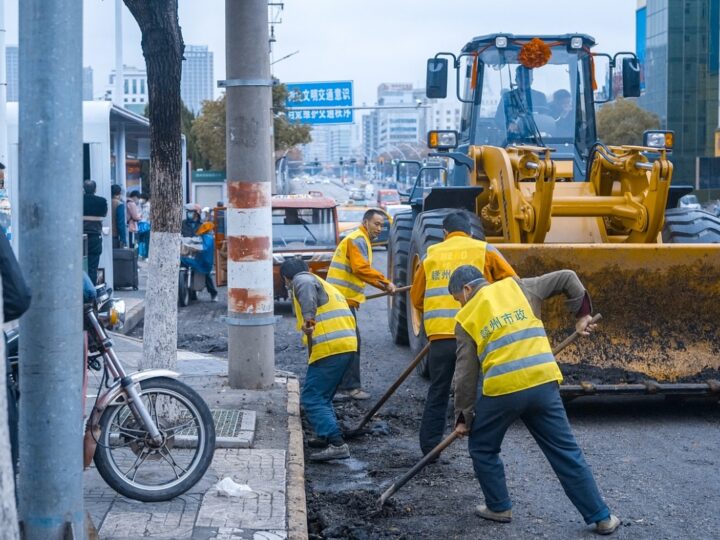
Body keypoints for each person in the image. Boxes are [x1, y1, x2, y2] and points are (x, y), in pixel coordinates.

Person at [448, 266, 620, 536]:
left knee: (482, 447)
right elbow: (567, 277)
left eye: (458, 298)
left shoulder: (465, 316)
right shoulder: (520, 285)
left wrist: (463, 418)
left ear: (467, 289)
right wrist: (582, 315)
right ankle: (602, 517)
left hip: (503, 391)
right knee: (565, 452)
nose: (460, 303)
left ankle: (499, 507)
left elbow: (465, 373)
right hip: (543, 383)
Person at [409, 211, 517, 457]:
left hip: (441, 340)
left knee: (438, 390)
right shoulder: (484, 249)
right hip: (477, 334)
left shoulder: (430, 255)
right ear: (469, 231)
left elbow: (416, 298)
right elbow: (513, 282)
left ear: (445, 234)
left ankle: (430, 449)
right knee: (478, 392)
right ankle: (481, 446)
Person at [280, 257, 357, 462]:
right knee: (323, 396)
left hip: (330, 347)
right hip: (344, 345)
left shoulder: (302, 280)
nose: (287, 286)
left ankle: (336, 443)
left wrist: (309, 320)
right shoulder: (324, 284)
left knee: (312, 398)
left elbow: (303, 286)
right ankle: (324, 435)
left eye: (286, 282)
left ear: (287, 278)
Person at [326, 208, 396, 400]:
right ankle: (349, 388)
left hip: (342, 300)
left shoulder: (359, 239)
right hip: (341, 301)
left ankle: (343, 387)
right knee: (351, 344)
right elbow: (361, 269)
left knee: (347, 343)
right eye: (376, 224)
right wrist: (385, 283)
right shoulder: (357, 239)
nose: (379, 228)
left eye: (382, 225)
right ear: (365, 222)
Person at [495, 66, 548, 143]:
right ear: (516, 79)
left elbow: (545, 119)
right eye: (521, 77)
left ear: (532, 80)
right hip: (512, 140)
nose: (524, 80)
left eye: (527, 77)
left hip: (536, 140)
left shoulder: (540, 97)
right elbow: (498, 119)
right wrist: (508, 125)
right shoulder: (507, 97)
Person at [180, 221, 218, 301]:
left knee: (207, 277)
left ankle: (213, 294)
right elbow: (192, 240)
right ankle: (211, 294)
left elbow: (203, 247)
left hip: (203, 262)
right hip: (203, 261)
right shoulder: (207, 237)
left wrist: (191, 246)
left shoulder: (208, 238)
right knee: (206, 277)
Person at [82, 180, 108, 284]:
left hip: (79, 236)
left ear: (83, 189)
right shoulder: (101, 201)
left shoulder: (77, 201)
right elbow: (104, 214)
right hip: (95, 236)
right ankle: (91, 292)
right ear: (95, 189)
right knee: (93, 266)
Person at [137, 193, 151, 259]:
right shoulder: (139, 205)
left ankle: (146, 255)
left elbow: (149, 216)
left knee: (146, 241)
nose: (141, 200)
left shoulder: (149, 206)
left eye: (143, 198)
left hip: (146, 224)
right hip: (140, 224)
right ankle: (140, 254)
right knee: (140, 240)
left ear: (146, 199)